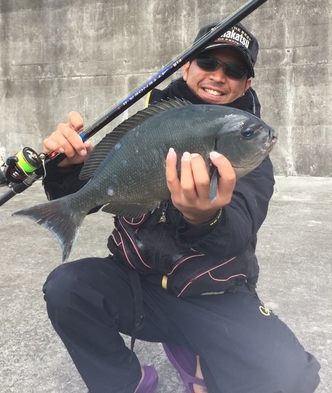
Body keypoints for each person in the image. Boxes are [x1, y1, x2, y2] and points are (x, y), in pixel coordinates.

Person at [41, 23, 320, 393]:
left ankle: (195, 347)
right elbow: (101, 184)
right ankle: (129, 382)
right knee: (68, 288)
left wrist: (203, 217)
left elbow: (239, 229)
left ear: (246, 85)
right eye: (207, 61)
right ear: (186, 67)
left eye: (234, 70)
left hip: (212, 295)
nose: (219, 76)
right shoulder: (151, 124)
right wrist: (66, 170)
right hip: (138, 285)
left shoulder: (253, 160)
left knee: (290, 378)